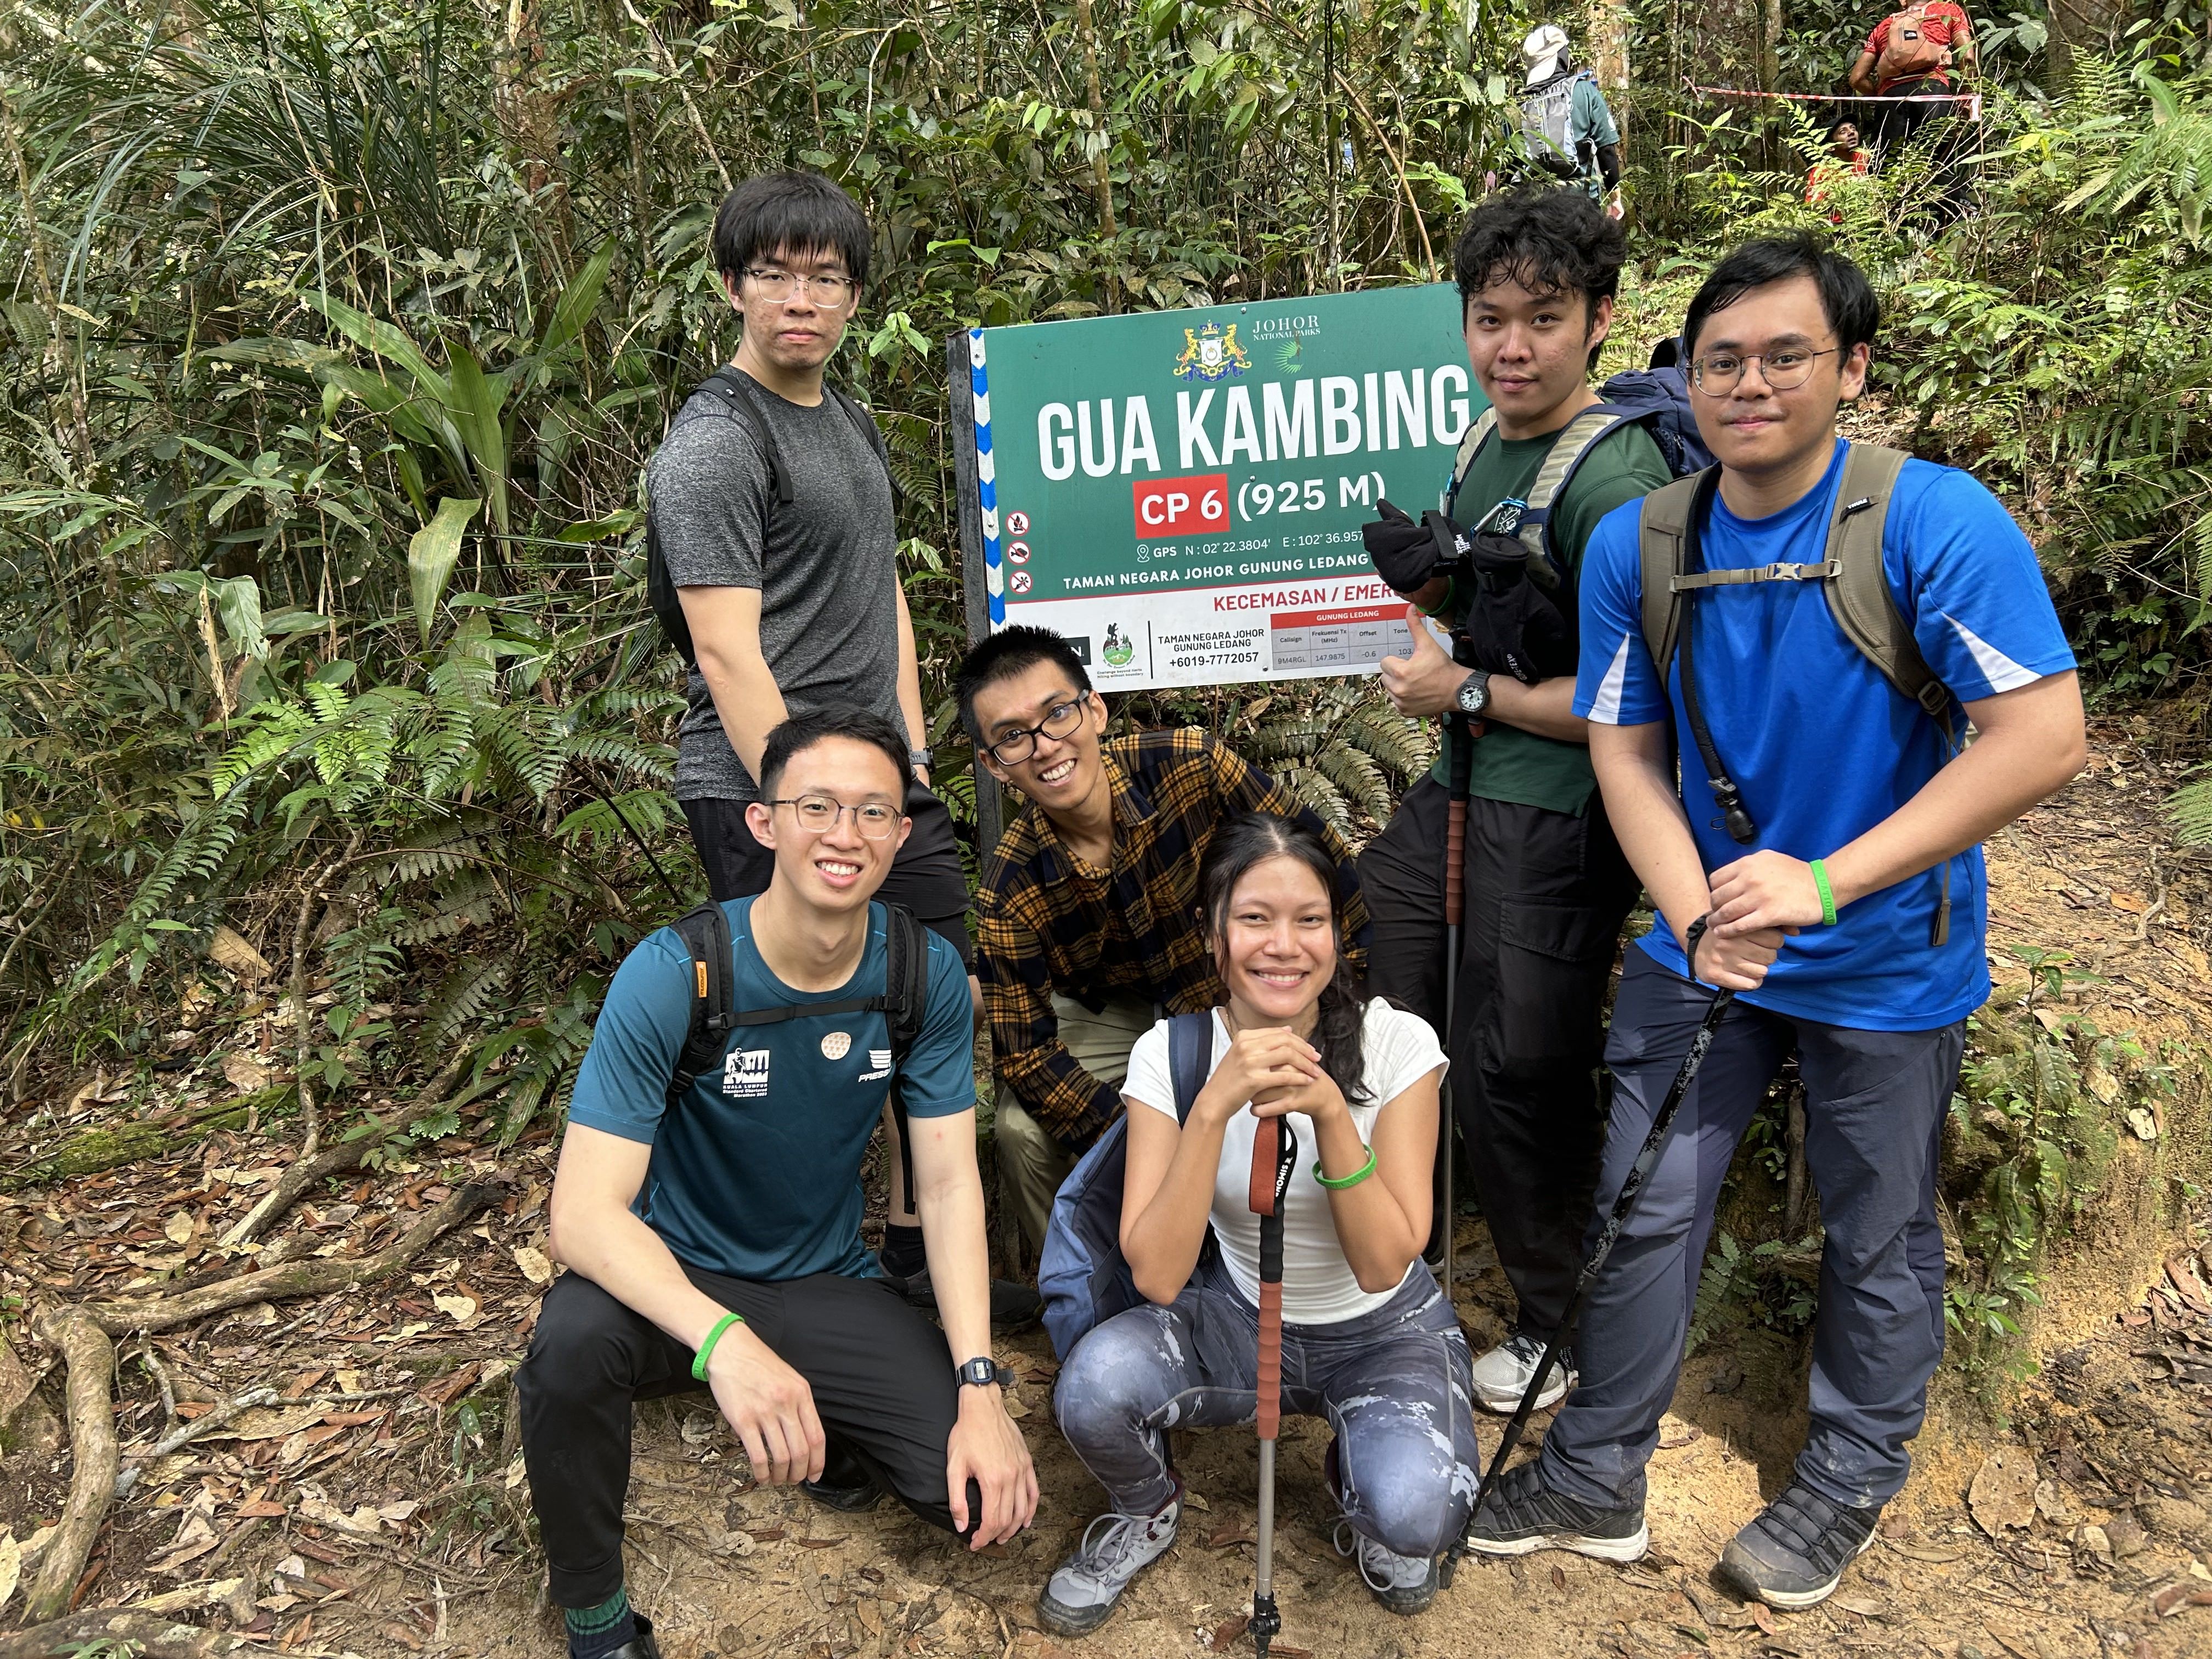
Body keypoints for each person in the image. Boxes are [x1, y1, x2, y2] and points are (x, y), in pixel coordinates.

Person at [1463, 234, 2083, 1609]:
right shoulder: (1647, 542)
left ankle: (1851, 1472)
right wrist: (1695, 908)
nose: (1750, 383)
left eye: (1786, 354)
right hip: (1709, 933)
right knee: (1644, 1201)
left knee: (1877, 1226)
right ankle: (1593, 1472)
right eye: (1722, 359)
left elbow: (2041, 737)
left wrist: (1823, 882)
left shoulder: (1935, 522)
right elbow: (1625, 747)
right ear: (1687, 374)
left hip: (1883, 949)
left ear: (1852, 367)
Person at [516, 709, 1039, 1659]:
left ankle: (830, 1435)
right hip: (681, 1279)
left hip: (825, 1277)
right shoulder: (679, 971)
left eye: (873, 811)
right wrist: (725, 1343)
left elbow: (952, 1182)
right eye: (817, 805)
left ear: (901, 831)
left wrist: (979, 1383)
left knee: (973, 1504)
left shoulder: (920, 973)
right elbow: (582, 1214)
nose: (845, 833)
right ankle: (595, 1615)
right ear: (764, 822)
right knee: (569, 1342)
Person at [647, 170, 1030, 1323]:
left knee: (927, 999)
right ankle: (767, 1278)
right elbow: (726, 651)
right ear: (732, 288)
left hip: (880, 790)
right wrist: (809, 809)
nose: (801, 298)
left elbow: (883, 599)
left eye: (825, 276)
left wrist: (907, 766)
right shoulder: (717, 442)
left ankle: (914, 1259)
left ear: (856, 295)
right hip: (766, 792)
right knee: (792, 1033)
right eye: (775, 274)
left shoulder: (846, 417)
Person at [1359, 188, 1672, 1415]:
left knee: (1516, 1065)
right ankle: (1402, 1245)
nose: (1514, 347)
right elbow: (1507, 622)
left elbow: (1625, 710)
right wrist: (1441, 587)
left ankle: (1561, 1324)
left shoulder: (1616, 476)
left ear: (1601, 319)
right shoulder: (1488, 444)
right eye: (1491, 319)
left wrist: (1464, 690)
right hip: (1461, 791)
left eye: (1545, 318)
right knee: (1398, 1006)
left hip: (1559, 810)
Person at [1039, 813, 1477, 1634]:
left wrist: (1331, 1117)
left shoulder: (1395, 1045)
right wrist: (1211, 1106)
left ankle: (1366, 1468)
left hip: (1385, 1330)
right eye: (1254, 919)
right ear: (1213, 935)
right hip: (1240, 1318)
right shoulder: (1170, 1053)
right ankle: (1148, 1505)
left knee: (1419, 1515)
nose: (1284, 946)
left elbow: (1387, 1264)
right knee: (1092, 1390)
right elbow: (1161, 1277)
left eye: (1309, 920)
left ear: (1337, 937)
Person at [958, 625, 1369, 1254]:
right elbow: (1025, 1056)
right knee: (1019, 1129)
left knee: (1353, 1074)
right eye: (1013, 737)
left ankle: (1341, 1250)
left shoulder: (1191, 766)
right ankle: (1090, 1296)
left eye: (1057, 714)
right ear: (993, 764)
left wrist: (1342, 1002)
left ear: (1094, 709)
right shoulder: (1010, 888)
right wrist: (1150, 1132)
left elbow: (1325, 865)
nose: (1044, 747)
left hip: (1246, 983)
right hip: (1119, 1012)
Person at [1513, 26, 1625, 220]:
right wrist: (1615, 198)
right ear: (1562, 56)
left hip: (1534, 213)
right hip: (1581, 210)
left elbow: (1511, 167)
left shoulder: (1516, 107)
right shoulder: (1583, 91)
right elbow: (1606, 151)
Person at [1849, 1, 1974, 154]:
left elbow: (1857, 79)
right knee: (1939, 159)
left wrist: (1882, 96)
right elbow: (1968, 58)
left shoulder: (1884, 26)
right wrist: (1966, 96)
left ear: (1903, 1)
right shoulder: (1948, 10)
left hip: (1891, 98)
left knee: (1886, 165)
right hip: (1933, 91)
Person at [1807, 120, 1871, 213]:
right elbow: (1813, 206)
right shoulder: (1821, 171)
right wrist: (1836, 195)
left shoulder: (1866, 158)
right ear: (1830, 147)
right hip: (1836, 224)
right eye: (1843, 132)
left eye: (1853, 129)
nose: (1851, 132)